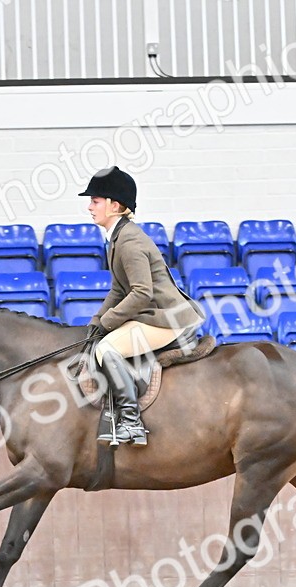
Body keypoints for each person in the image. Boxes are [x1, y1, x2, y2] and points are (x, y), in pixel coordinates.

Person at [78, 166, 205, 447]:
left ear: (116, 205)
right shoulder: (118, 238)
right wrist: (96, 322)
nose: (89, 207)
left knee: (107, 349)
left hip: (167, 319)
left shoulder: (130, 242)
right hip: (154, 314)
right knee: (100, 340)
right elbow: (118, 290)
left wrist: (107, 323)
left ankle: (131, 422)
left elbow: (141, 293)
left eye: (95, 201)